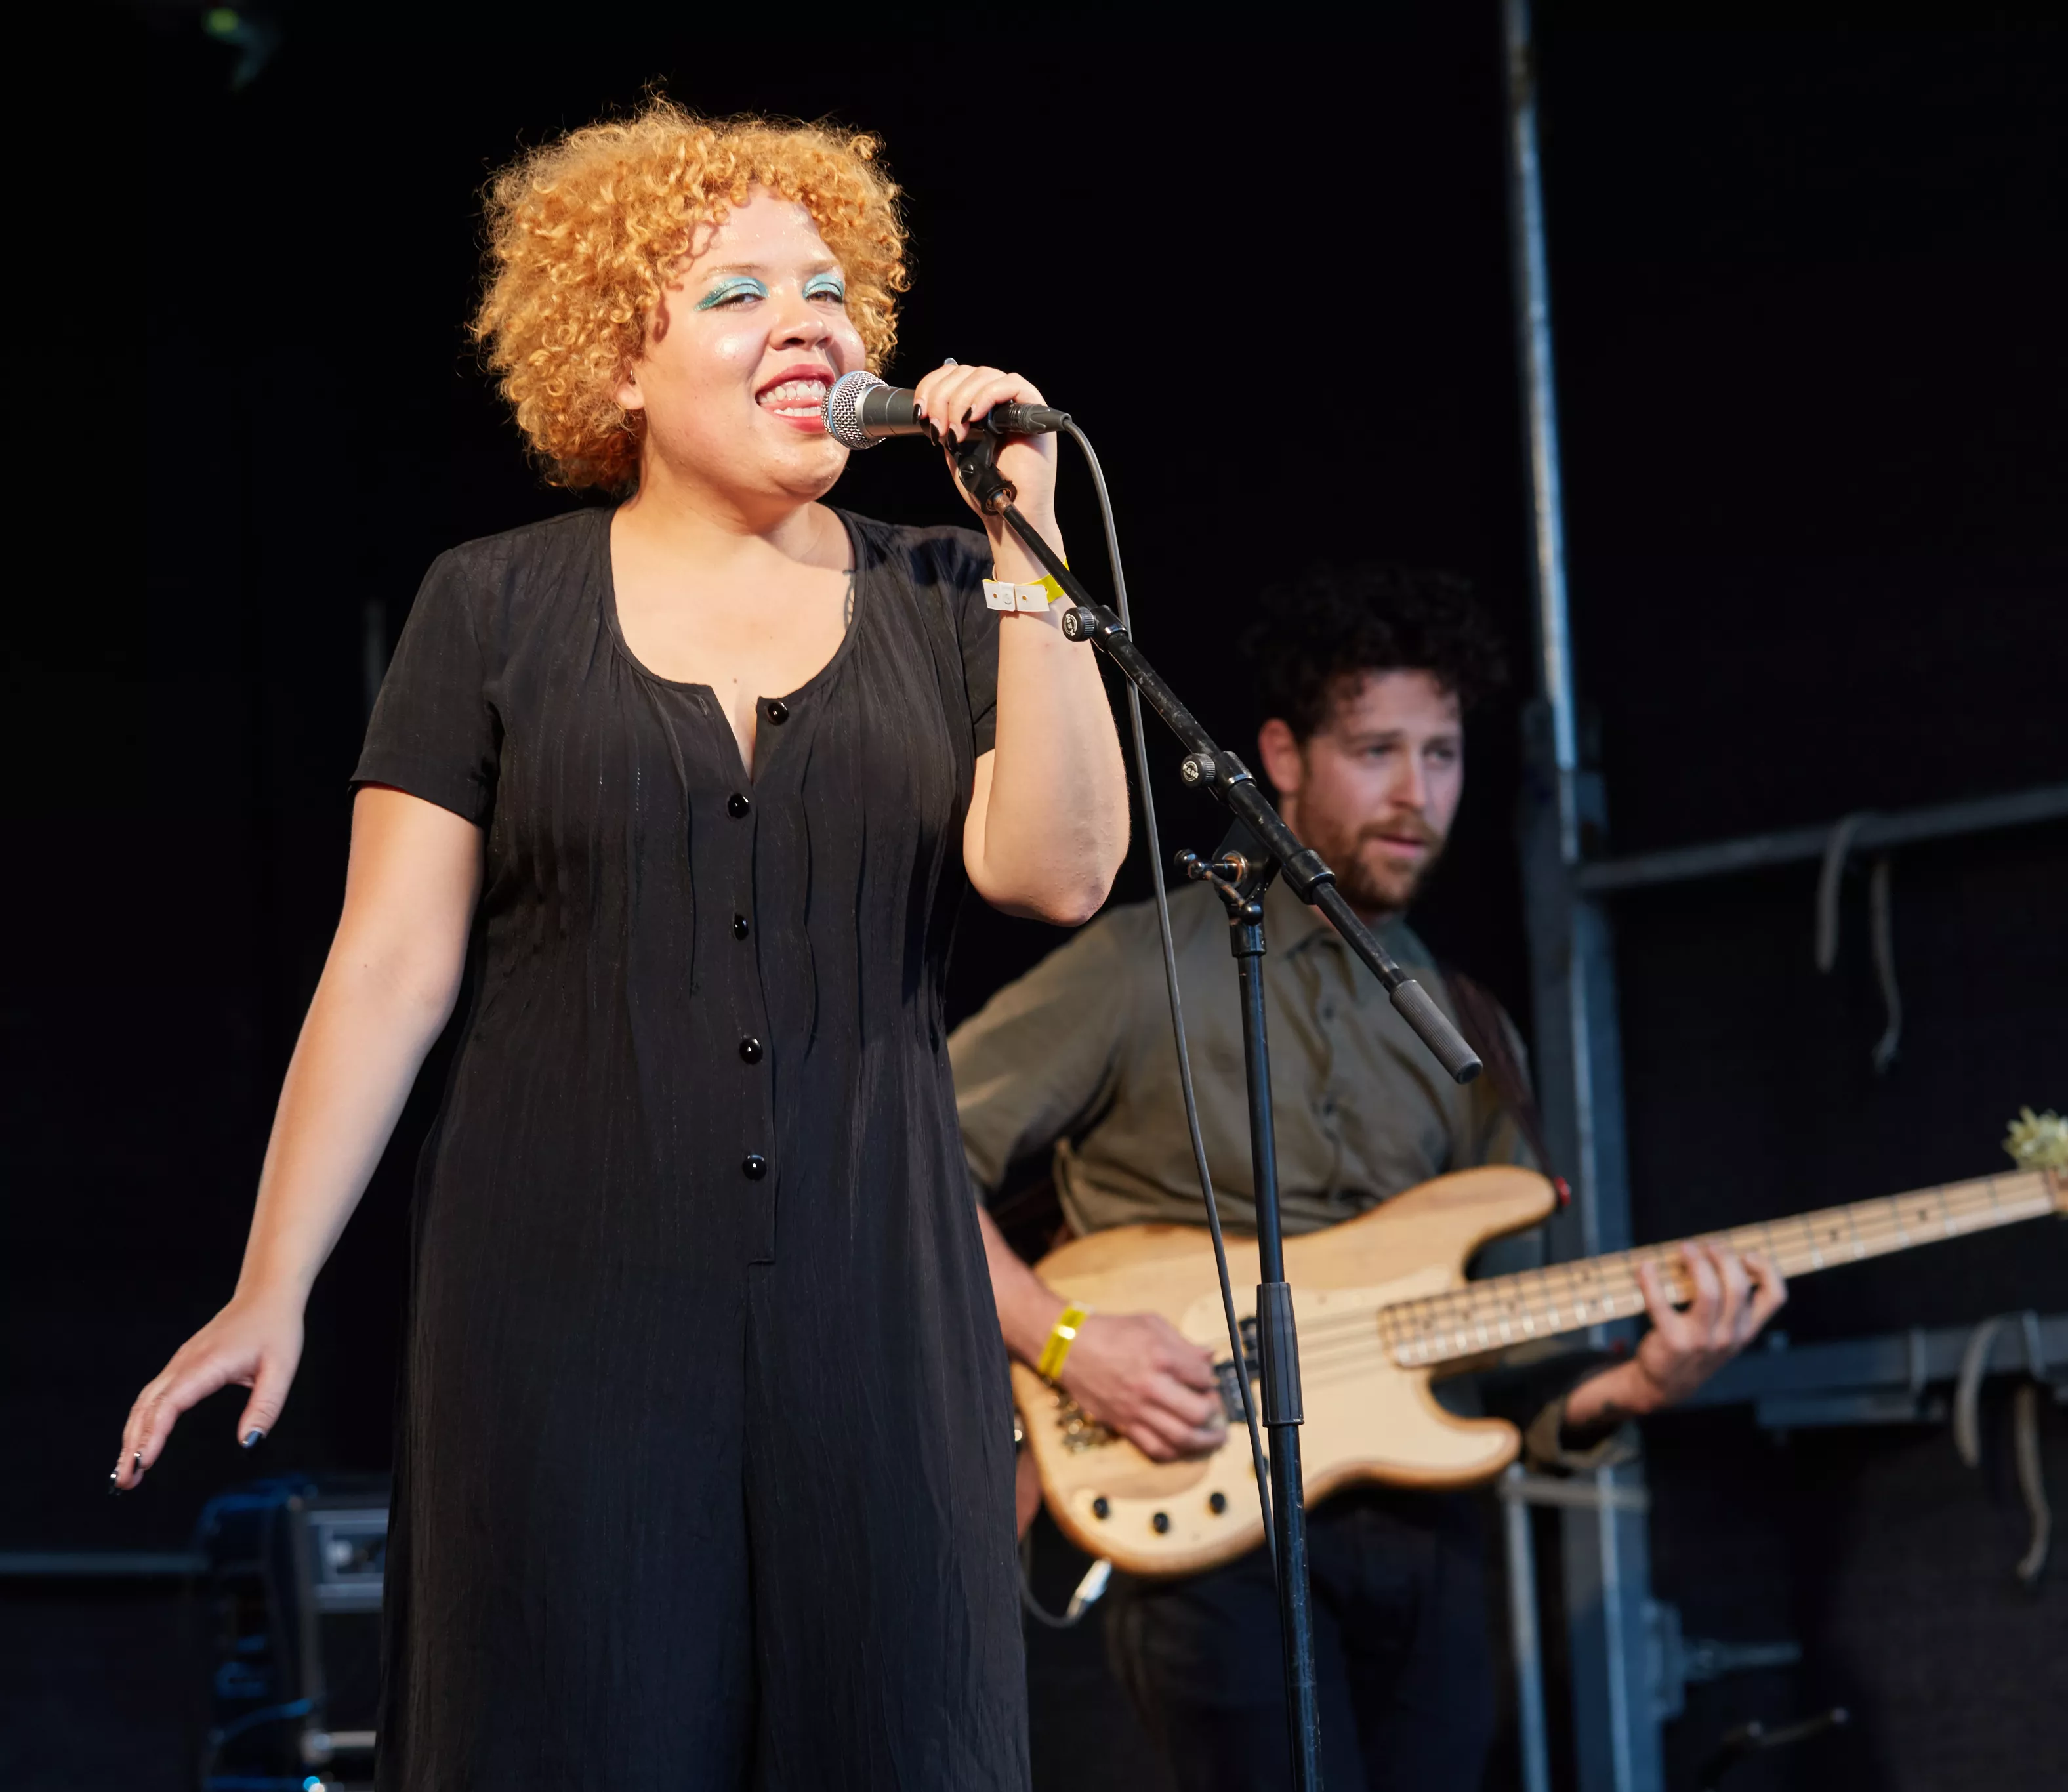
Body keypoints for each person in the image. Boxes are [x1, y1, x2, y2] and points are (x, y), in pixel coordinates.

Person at [109, 100, 1125, 1789]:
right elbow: (389, 967)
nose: (804, 323)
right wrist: (272, 1280)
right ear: (616, 366)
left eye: (826, 289)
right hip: (563, 1312)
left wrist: (1032, 535)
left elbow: (1060, 872)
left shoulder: (955, 591)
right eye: (737, 294)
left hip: (875, 1311)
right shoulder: (493, 607)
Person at [949, 565, 1789, 1791]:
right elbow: (911, 1161)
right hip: (1203, 1502)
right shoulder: (1141, 969)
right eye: (1377, 750)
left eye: (1441, 754)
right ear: (1281, 757)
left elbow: (1511, 1355)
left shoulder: (1469, 1027)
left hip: (1423, 1533)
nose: (1416, 794)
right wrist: (1066, 1339)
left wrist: (1642, 1381)